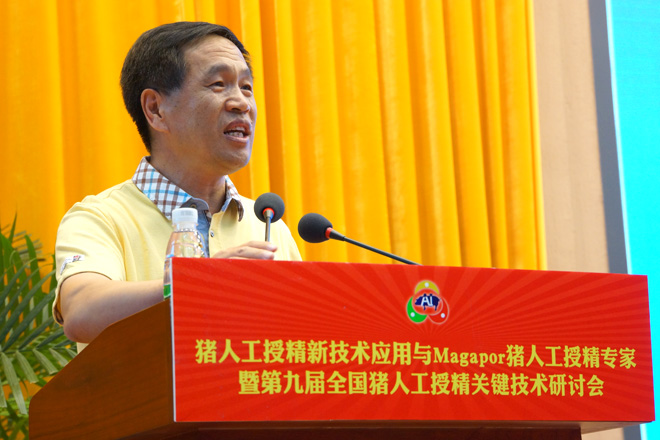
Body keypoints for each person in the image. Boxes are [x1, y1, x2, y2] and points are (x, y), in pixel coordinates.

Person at [54, 22, 301, 349]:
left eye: (246, 87)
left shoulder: (268, 226)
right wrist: (196, 284)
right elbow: (82, 311)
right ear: (156, 109)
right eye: (218, 84)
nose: (242, 103)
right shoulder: (100, 218)